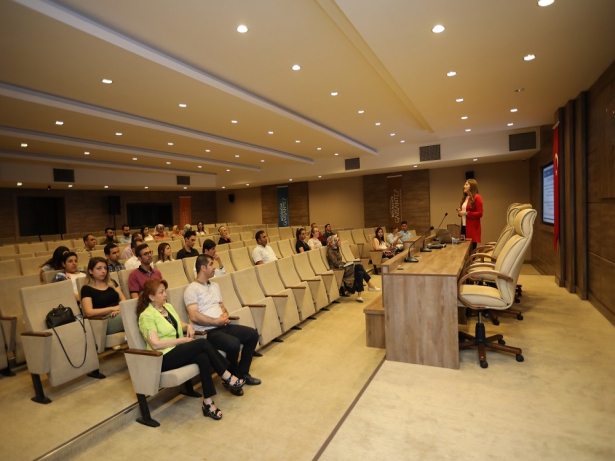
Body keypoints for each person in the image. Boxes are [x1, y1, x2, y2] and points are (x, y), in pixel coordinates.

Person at [137, 278, 245, 420]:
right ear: (151, 297)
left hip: (176, 351)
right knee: (202, 344)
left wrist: (188, 326)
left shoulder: (167, 307)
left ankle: (208, 403)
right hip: (161, 357)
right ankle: (226, 375)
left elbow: (177, 323)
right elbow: (155, 344)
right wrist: (182, 340)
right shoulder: (146, 316)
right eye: (161, 292)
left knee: (203, 357)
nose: (165, 295)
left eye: (165, 291)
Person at [185, 255, 261, 390]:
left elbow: (221, 306)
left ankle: (243, 373)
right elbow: (194, 316)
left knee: (252, 334)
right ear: (203, 268)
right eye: (211, 264)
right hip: (207, 331)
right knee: (233, 343)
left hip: (223, 326)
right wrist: (216, 321)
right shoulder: (191, 289)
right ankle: (232, 378)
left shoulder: (215, 285)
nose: (214, 267)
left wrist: (225, 314)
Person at [326, 235, 379, 303]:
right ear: (334, 242)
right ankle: (370, 285)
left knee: (360, 273)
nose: (340, 242)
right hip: (339, 271)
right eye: (338, 240)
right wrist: (345, 264)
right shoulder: (330, 251)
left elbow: (339, 262)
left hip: (343, 268)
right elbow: (336, 264)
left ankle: (359, 296)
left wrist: (346, 264)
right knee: (359, 266)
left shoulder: (336, 249)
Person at [80, 257, 125, 334]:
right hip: (104, 320)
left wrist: (118, 310)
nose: (103, 271)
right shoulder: (86, 289)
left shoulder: (112, 282)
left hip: (119, 313)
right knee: (134, 316)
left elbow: (124, 300)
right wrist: (112, 309)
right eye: (99, 268)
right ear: (90, 271)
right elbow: (89, 312)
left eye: (105, 268)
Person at [457, 178, 483, 251]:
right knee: (463, 250)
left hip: (472, 228)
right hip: (463, 227)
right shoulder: (465, 198)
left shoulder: (477, 197)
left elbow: (480, 213)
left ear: (472, 186)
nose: (464, 186)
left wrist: (466, 213)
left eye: (466, 184)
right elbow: (463, 212)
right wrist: (460, 212)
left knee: (471, 251)